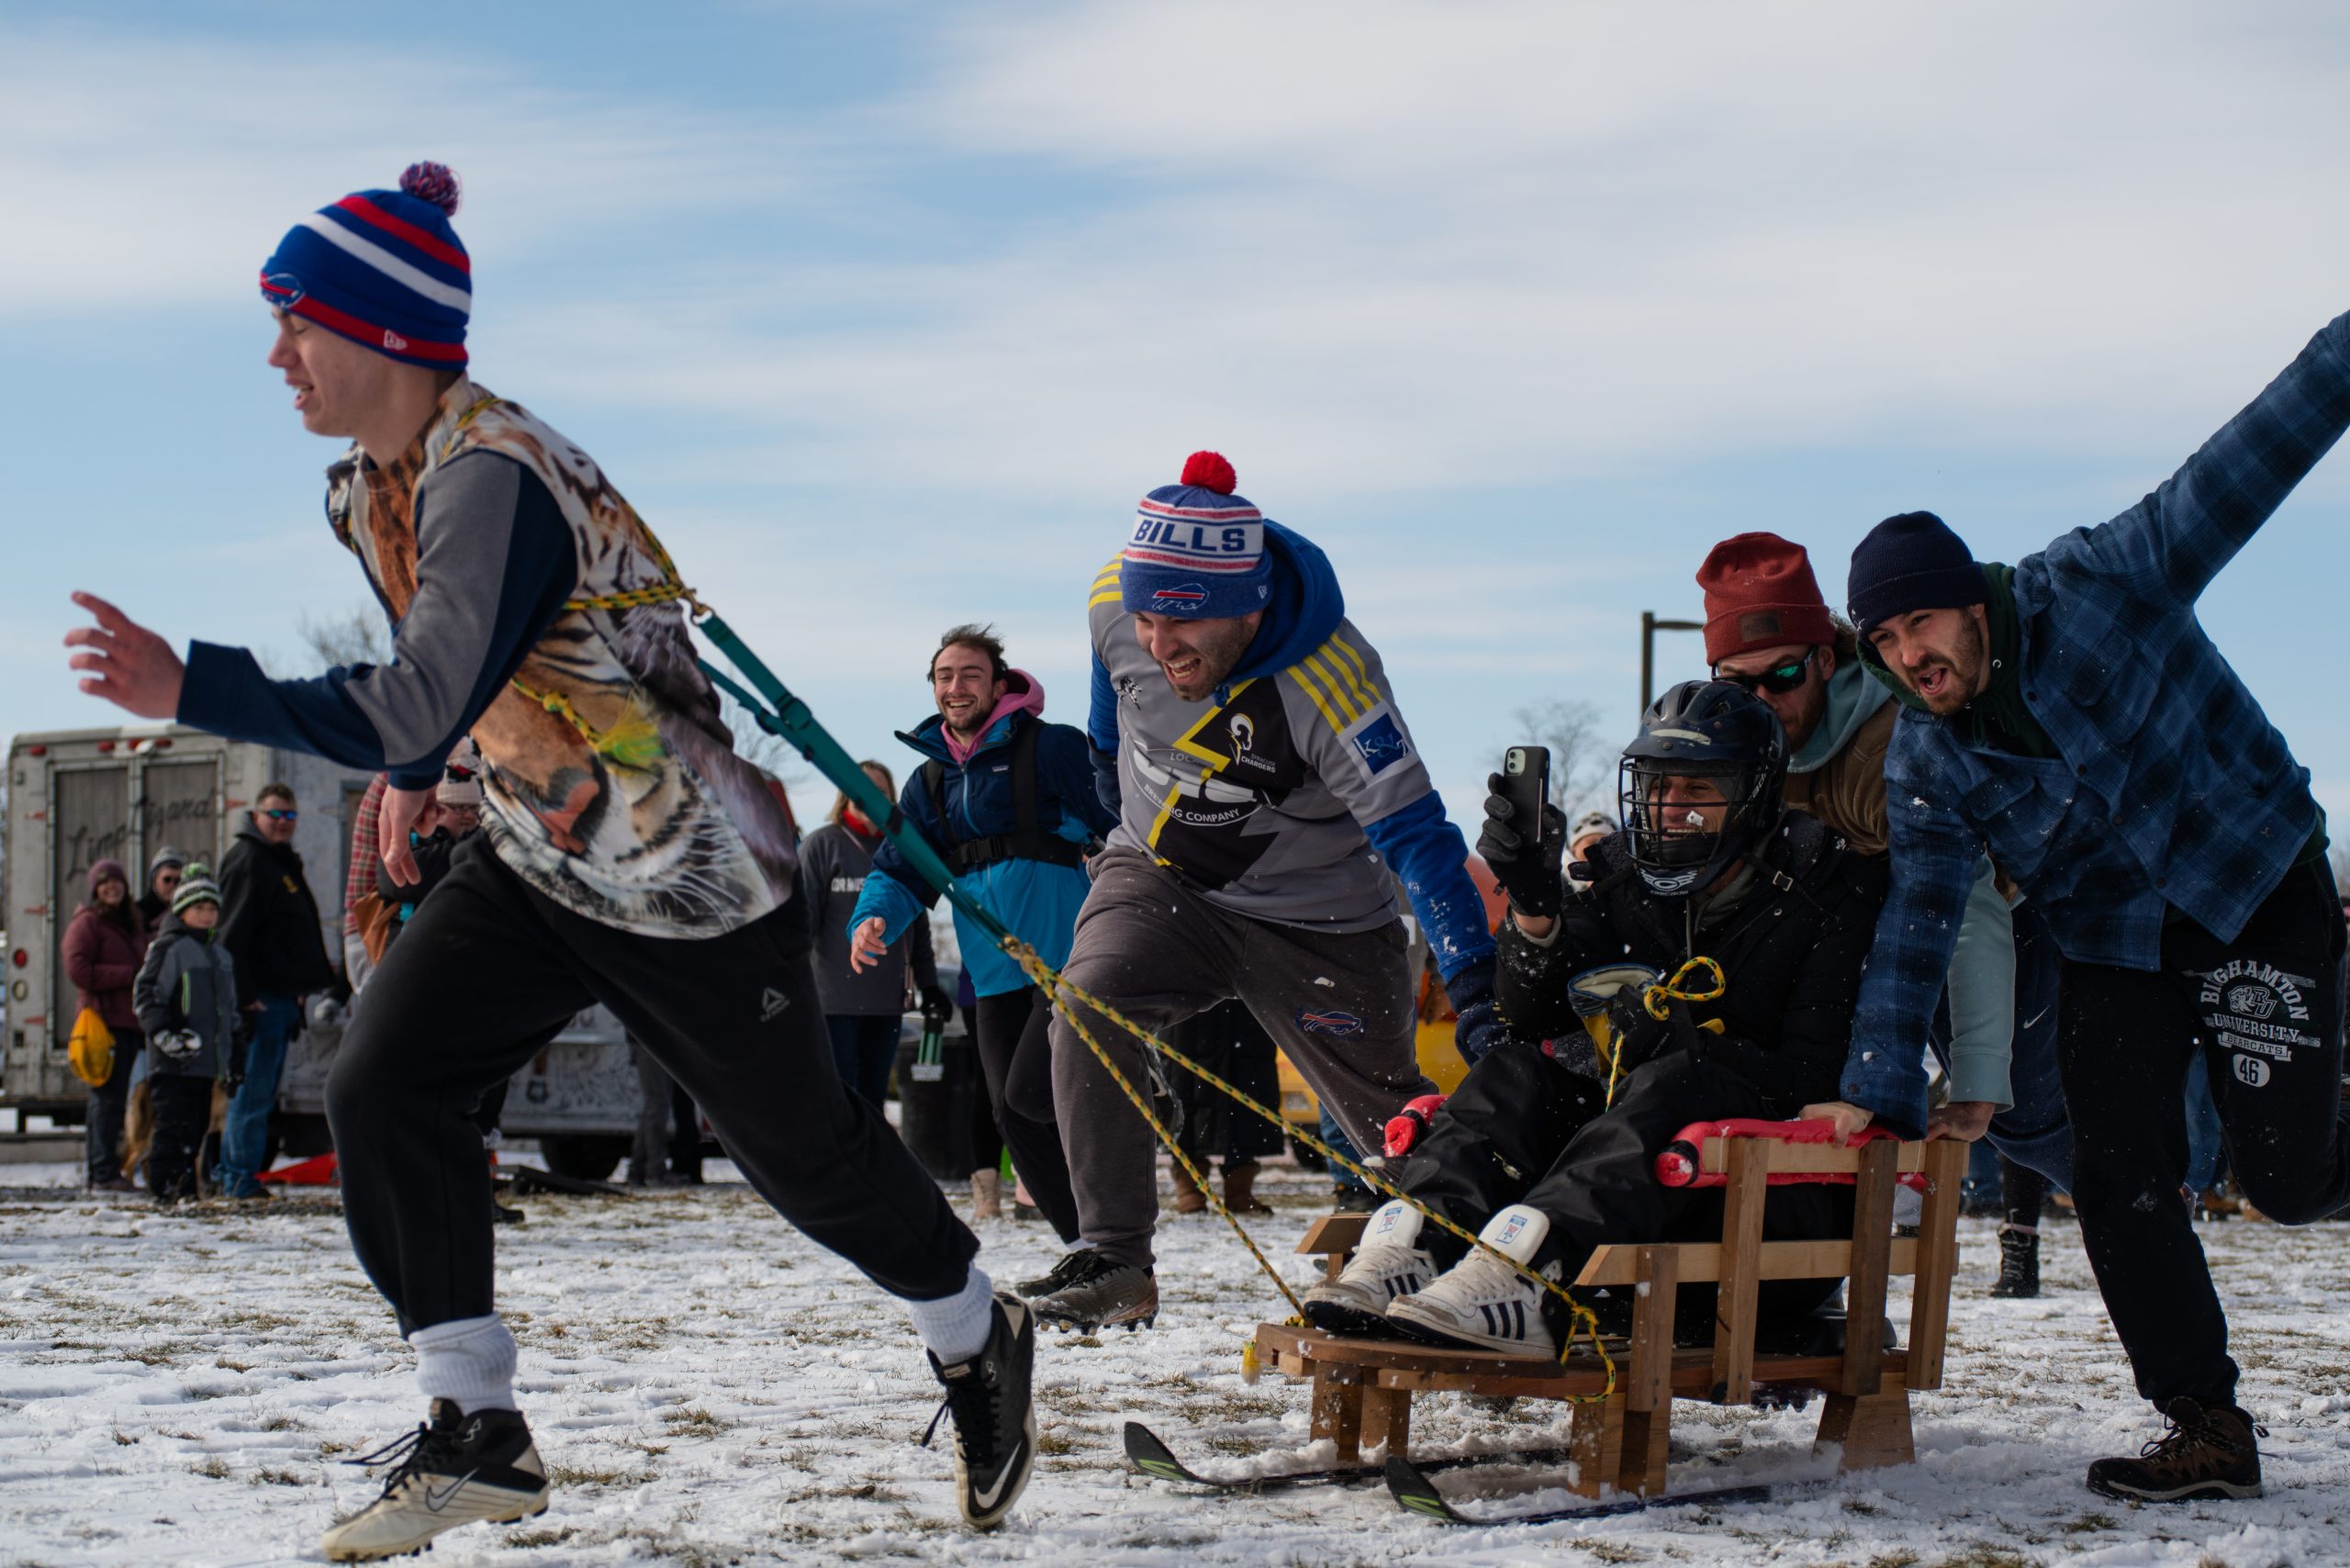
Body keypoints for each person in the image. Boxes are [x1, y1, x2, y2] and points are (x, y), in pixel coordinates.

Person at [62, 162, 1033, 1551]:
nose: (277, 357)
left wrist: (196, 687)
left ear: (386, 334)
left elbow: (419, 692)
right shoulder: (369, 490)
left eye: (298, 324)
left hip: (691, 875)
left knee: (806, 1158)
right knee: (388, 1082)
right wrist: (413, 781)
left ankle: (974, 1328)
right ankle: (478, 1424)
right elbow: (437, 683)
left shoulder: (493, 480)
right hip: (538, 852)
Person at [1838, 305, 2350, 1503]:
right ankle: (2206, 1427)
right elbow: (1918, 925)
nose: (1911, 656)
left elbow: (2265, 445)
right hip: (2114, 939)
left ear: (1969, 602)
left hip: (2252, 888)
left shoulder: (2113, 579)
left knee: (2281, 1181)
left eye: (1921, 623)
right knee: (2120, 1168)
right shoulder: (1926, 756)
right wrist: (1880, 1094)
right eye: (1884, 641)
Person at [1030, 451, 1504, 1331]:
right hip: (1163, 877)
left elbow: (1417, 836)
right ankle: (1116, 1260)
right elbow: (1112, 689)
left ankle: (1485, 1287)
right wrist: (1103, 766)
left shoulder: (1335, 683)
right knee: (1088, 1004)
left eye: (1184, 626)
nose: (1159, 644)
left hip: (1320, 920)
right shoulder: (1115, 602)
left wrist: (1474, 985)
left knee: (1393, 1130)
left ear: (1246, 605)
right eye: (1145, 617)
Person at [1306, 681, 1885, 1352]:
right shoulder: (1620, 877)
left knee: (1682, 1079)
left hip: (1762, 1211)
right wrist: (1532, 907)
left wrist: (1681, 1043)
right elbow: (1530, 1019)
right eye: (1659, 788)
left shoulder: (1826, 890)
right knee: (1516, 1069)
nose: (1670, 810)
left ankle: (1530, 1277)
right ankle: (1416, 1245)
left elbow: (1812, 1072)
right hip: (1629, 1191)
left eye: (1697, 792)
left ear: (1753, 796)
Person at [1694, 531, 2073, 1294]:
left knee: (2026, 1118)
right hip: (1879, 943)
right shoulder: (1730, 742)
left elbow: (1964, 908)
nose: (1763, 702)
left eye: (1784, 677)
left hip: (2011, 919)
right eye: (1740, 686)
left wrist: (1974, 1075)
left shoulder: (1889, 744)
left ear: (1827, 661)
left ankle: (2161, 1171)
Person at [848, 625, 1115, 1249]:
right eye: (944, 676)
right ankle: (1086, 1247)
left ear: (1000, 686)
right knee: (1014, 1115)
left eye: (970, 674)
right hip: (991, 974)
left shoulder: (1053, 750)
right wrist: (873, 918)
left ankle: (1112, 1234)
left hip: (1068, 961)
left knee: (1034, 1096)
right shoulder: (928, 783)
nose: (956, 686)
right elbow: (899, 866)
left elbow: (1119, 819)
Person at [800, 760, 947, 1113]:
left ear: (892, 799)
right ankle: (838, 1168)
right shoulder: (822, 846)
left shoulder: (903, 850)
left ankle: (870, 1168)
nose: (870, 796)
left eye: (880, 791)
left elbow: (919, 926)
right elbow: (802, 925)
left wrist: (929, 987)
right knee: (838, 1099)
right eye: (862, 788)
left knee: (873, 1100)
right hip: (833, 1000)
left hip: (885, 1000)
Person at [213, 781, 336, 1199]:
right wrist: (246, 996)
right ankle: (237, 1178)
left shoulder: (277, 861)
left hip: (281, 998)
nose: (282, 823)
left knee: (260, 1094)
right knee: (251, 1093)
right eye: (275, 815)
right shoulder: (250, 861)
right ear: (256, 815)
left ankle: (238, 1174)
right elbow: (230, 939)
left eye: (289, 815)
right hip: (260, 1003)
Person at [131, 864, 239, 1204]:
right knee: (172, 1127)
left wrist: (236, 1056)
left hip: (206, 1064)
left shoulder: (220, 957)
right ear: (181, 911)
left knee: (196, 1127)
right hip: (173, 1061)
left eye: (211, 909)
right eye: (198, 908)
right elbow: (147, 994)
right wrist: (164, 1034)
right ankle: (163, 1189)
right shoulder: (169, 948)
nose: (206, 916)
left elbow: (228, 1012)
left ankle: (186, 1191)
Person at [62, 858, 151, 1192]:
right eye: (104, 883)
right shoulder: (87, 923)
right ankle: (102, 1172)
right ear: (95, 890)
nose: (111, 888)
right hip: (102, 1024)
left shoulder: (130, 924)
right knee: (106, 1098)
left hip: (128, 1023)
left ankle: (105, 1169)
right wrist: (127, 975)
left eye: (116, 882)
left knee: (115, 1099)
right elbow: (78, 970)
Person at [1163, 1001, 1282, 1216]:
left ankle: (1239, 1190)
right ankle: (1189, 1187)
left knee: (1246, 1093)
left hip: (1243, 1006)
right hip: (1187, 1005)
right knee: (1185, 1093)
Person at [137, 846, 189, 929]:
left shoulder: (191, 909)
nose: (172, 885)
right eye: (167, 880)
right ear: (155, 881)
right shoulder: (138, 913)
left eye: (178, 880)